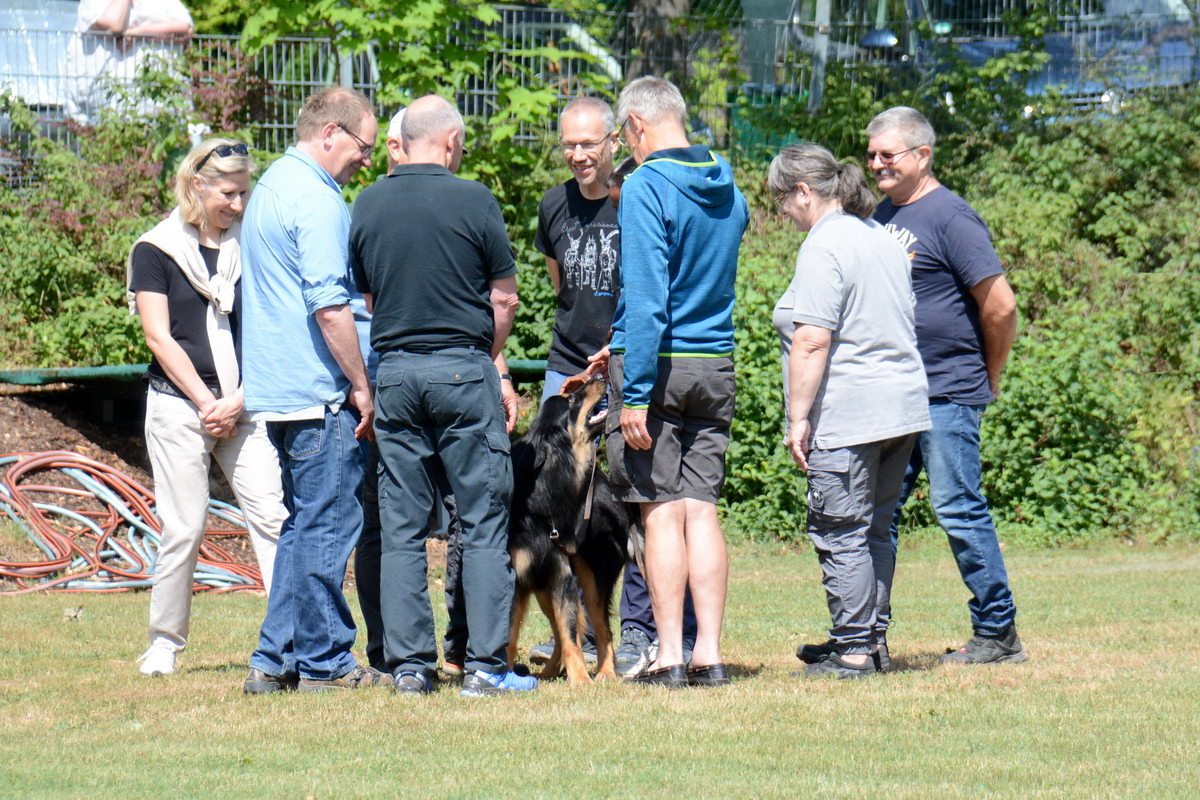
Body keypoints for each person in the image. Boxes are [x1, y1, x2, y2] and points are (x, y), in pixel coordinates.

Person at [349, 94, 534, 696]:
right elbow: (503, 299)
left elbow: (370, 301)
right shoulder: (475, 199)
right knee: (481, 520)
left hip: (396, 374)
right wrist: (485, 353)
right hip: (463, 371)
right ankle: (483, 666)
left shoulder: (368, 202)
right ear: (451, 141)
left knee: (401, 525)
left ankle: (409, 668)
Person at [239, 86, 390, 694]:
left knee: (303, 527)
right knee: (328, 526)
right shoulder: (318, 199)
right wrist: (361, 384)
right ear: (331, 132)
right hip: (316, 390)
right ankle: (327, 663)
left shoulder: (273, 184)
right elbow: (330, 307)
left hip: (278, 390)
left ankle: (273, 662)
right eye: (363, 146)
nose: (367, 160)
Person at [600, 77, 748, 688]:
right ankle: (709, 653)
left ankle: (669, 654)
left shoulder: (646, 186)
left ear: (636, 123)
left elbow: (647, 298)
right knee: (703, 511)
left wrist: (633, 391)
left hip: (659, 364)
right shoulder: (726, 180)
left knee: (660, 513)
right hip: (715, 363)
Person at [867, 106, 1026, 664]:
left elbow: (1001, 306)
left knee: (958, 508)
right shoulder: (884, 214)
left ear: (922, 155)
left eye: (889, 154)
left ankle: (998, 633)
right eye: (872, 155)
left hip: (947, 392)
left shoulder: (952, 217)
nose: (877, 164)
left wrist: (988, 376)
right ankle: (863, 639)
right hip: (894, 392)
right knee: (875, 514)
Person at [769, 143, 931, 679]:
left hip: (851, 410)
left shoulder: (825, 244)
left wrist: (798, 418)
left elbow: (812, 340)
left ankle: (854, 652)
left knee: (839, 529)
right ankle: (867, 639)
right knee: (876, 529)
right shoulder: (879, 236)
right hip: (902, 406)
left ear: (804, 192)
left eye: (783, 201)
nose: (782, 214)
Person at [126, 137, 285, 677]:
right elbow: (159, 337)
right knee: (184, 527)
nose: (238, 205)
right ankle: (165, 643)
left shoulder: (250, 242)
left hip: (245, 402)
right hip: (179, 406)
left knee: (273, 518)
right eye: (228, 194)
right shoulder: (155, 249)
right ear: (197, 184)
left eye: (244, 193)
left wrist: (236, 400)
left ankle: (289, 637)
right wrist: (206, 401)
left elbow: (269, 325)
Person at [66, 0, 193, 125]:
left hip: (149, 97)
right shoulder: (94, 3)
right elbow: (114, 25)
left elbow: (185, 28)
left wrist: (139, 31)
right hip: (101, 97)